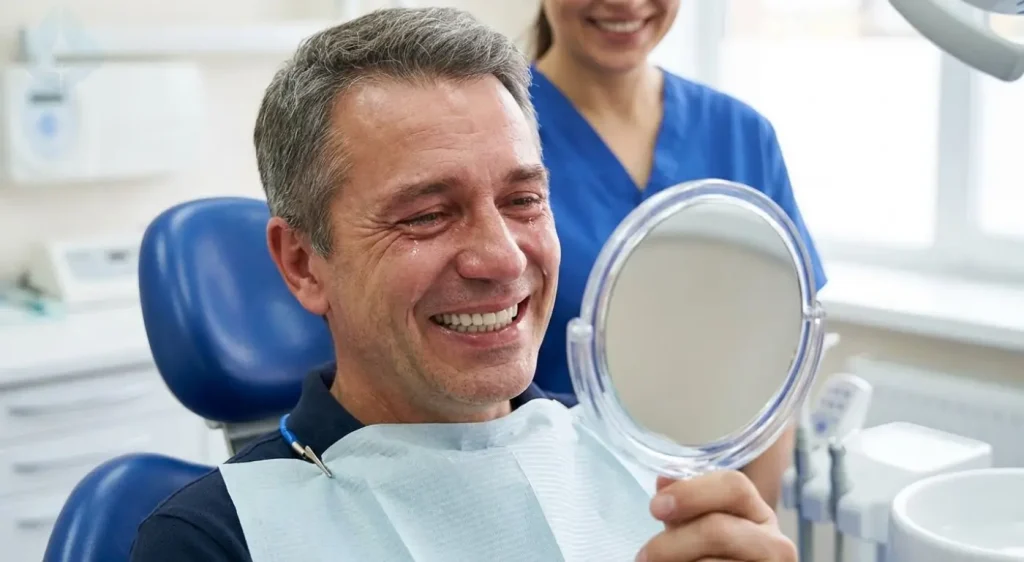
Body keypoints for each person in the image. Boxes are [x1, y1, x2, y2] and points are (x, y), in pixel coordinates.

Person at [129, 7, 796, 562]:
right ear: (304, 263)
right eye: (427, 215)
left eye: (523, 201)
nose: (503, 260)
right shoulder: (213, 541)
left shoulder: (642, 465)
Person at [527, 0, 829, 506]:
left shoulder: (742, 136)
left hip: (712, 506)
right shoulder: (493, 136)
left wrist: (744, 527)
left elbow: (779, 366)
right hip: (552, 511)